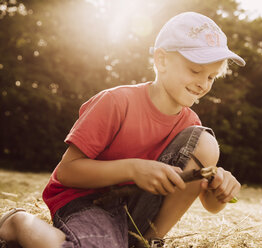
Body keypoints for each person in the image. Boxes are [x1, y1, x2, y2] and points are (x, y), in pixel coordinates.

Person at [0, 11, 245, 248]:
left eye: (212, 77)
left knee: (205, 141)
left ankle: (147, 241)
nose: (203, 84)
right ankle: (20, 223)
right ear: (162, 60)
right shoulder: (116, 102)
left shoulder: (190, 127)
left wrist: (220, 191)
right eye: (195, 71)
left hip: (137, 207)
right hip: (86, 202)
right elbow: (66, 172)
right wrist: (132, 168)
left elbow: (209, 204)